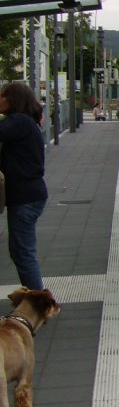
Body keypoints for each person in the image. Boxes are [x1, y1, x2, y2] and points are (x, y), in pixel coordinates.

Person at [0, 82, 48, 290]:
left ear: (13, 99)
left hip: (25, 198)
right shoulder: (25, 122)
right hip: (29, 195)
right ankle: (36, 298)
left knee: (23, 253)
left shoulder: (18, 122)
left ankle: (39, 303)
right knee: (20, 251)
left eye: (2, 95)